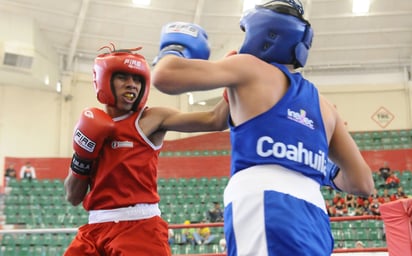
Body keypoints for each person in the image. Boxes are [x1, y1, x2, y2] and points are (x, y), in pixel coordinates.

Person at [151, 0, 375, 254]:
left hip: (264, 201)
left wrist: (176, 47)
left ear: (263, 34)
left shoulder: (248, 67)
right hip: (314, 213)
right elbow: (363, 183)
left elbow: (165, 76)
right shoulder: (325, 107)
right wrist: (308, 161)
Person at [63, 44, 229, 256]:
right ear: (105, 79)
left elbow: (215, 120)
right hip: (94, 229)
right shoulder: (90, 126)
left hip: (139, 227)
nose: (132, 85)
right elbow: (72, 196)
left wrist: (233, 80)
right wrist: (82, 157)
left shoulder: (150, 120)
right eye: (123, 77)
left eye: (137, 79)